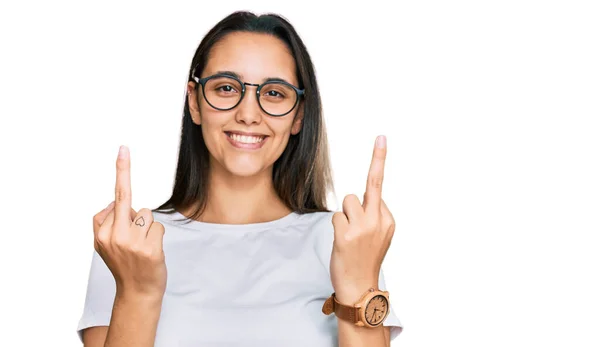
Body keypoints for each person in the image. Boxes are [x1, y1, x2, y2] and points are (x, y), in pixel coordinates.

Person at [77, 10, 403, 347]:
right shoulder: (129, 244)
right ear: (194, 101)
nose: (248, 114)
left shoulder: (347, 241)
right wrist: (138, 292)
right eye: (227, 88)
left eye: (275, 93)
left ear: (299, 115)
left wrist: (360, 282)